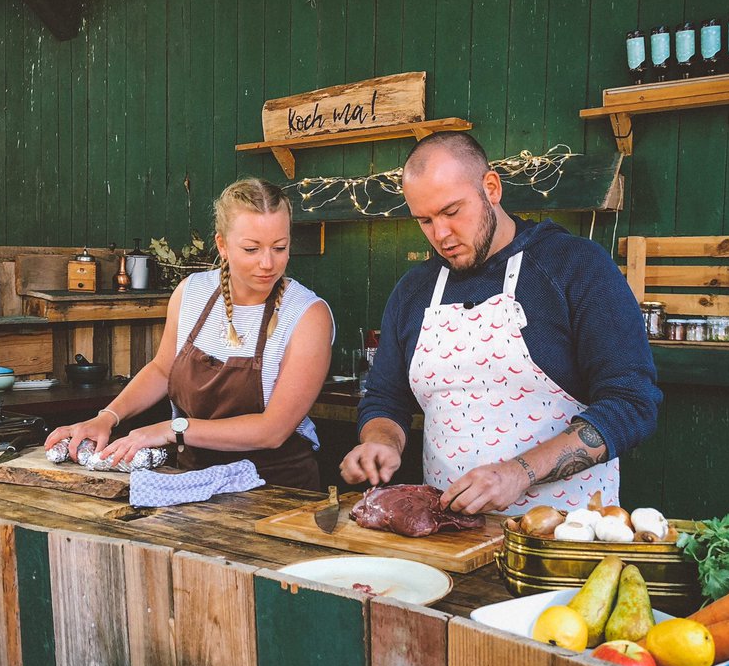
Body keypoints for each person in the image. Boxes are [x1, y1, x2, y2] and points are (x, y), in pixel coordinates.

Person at [339, 132, 661, 515]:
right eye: (424, 220)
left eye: (452, 211)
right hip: (451, 535)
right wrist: (381, 441)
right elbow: (385, 399)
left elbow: (632, 403)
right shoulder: (413, 291)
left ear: (491, 188)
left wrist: (519, 472)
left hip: (566, 536)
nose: (440, 234)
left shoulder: (575, 266)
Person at [45, 178, 334, 491]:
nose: (268, 263)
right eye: (251, 249)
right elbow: (161, 369)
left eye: (280, 248)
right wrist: (107, 416)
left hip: (277, 492)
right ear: (222, 245)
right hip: (192, 485)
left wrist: (174, 429)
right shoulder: (192, 293)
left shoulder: (307, 315)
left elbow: (272, 430)